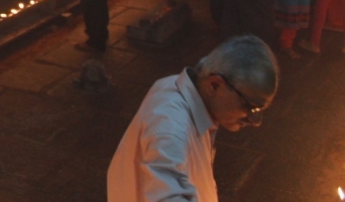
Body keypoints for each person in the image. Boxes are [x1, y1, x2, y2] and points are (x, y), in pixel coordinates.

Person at [107, 35, 278, 202]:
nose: (254, 121)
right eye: (249, 106)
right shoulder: (170, 127)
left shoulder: (176, 86)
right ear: (215, 85)